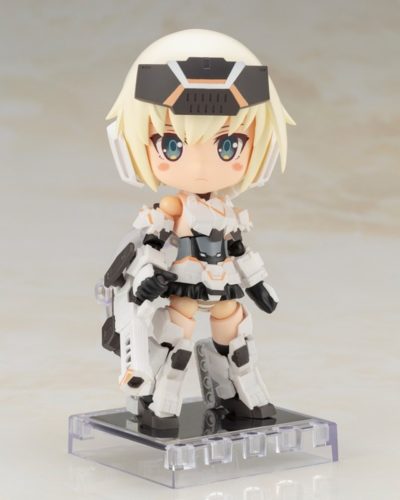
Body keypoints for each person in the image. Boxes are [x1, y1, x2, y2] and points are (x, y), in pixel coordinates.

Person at [101, 29, 294, 426]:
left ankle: (238, 395)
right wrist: (146, 281)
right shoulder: (171, 209)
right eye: (172, 145)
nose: (201, 167)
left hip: (225, 285)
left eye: (228, 145)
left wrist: (258, 283)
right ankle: (157, 404)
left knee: (237, 335)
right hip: (183, 287)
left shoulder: (226, 210)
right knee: (175, 342)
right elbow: (149, 247)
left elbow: (238, 249)